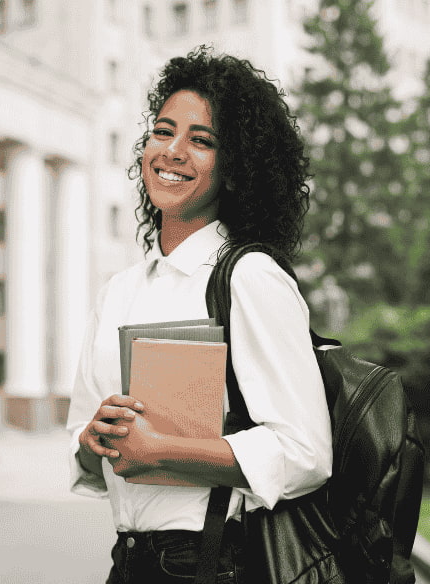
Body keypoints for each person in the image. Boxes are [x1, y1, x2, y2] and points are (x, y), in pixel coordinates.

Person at [66, 46, 332, 583]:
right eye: (163, 132)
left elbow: (306, 452)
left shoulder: (249, 278)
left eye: (202, 141)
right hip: (129, 561)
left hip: (211, 564)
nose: (173, 151)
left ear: (235, 170)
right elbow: (84, 451)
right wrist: (93, 442)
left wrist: (165, 452)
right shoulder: (117, 291)